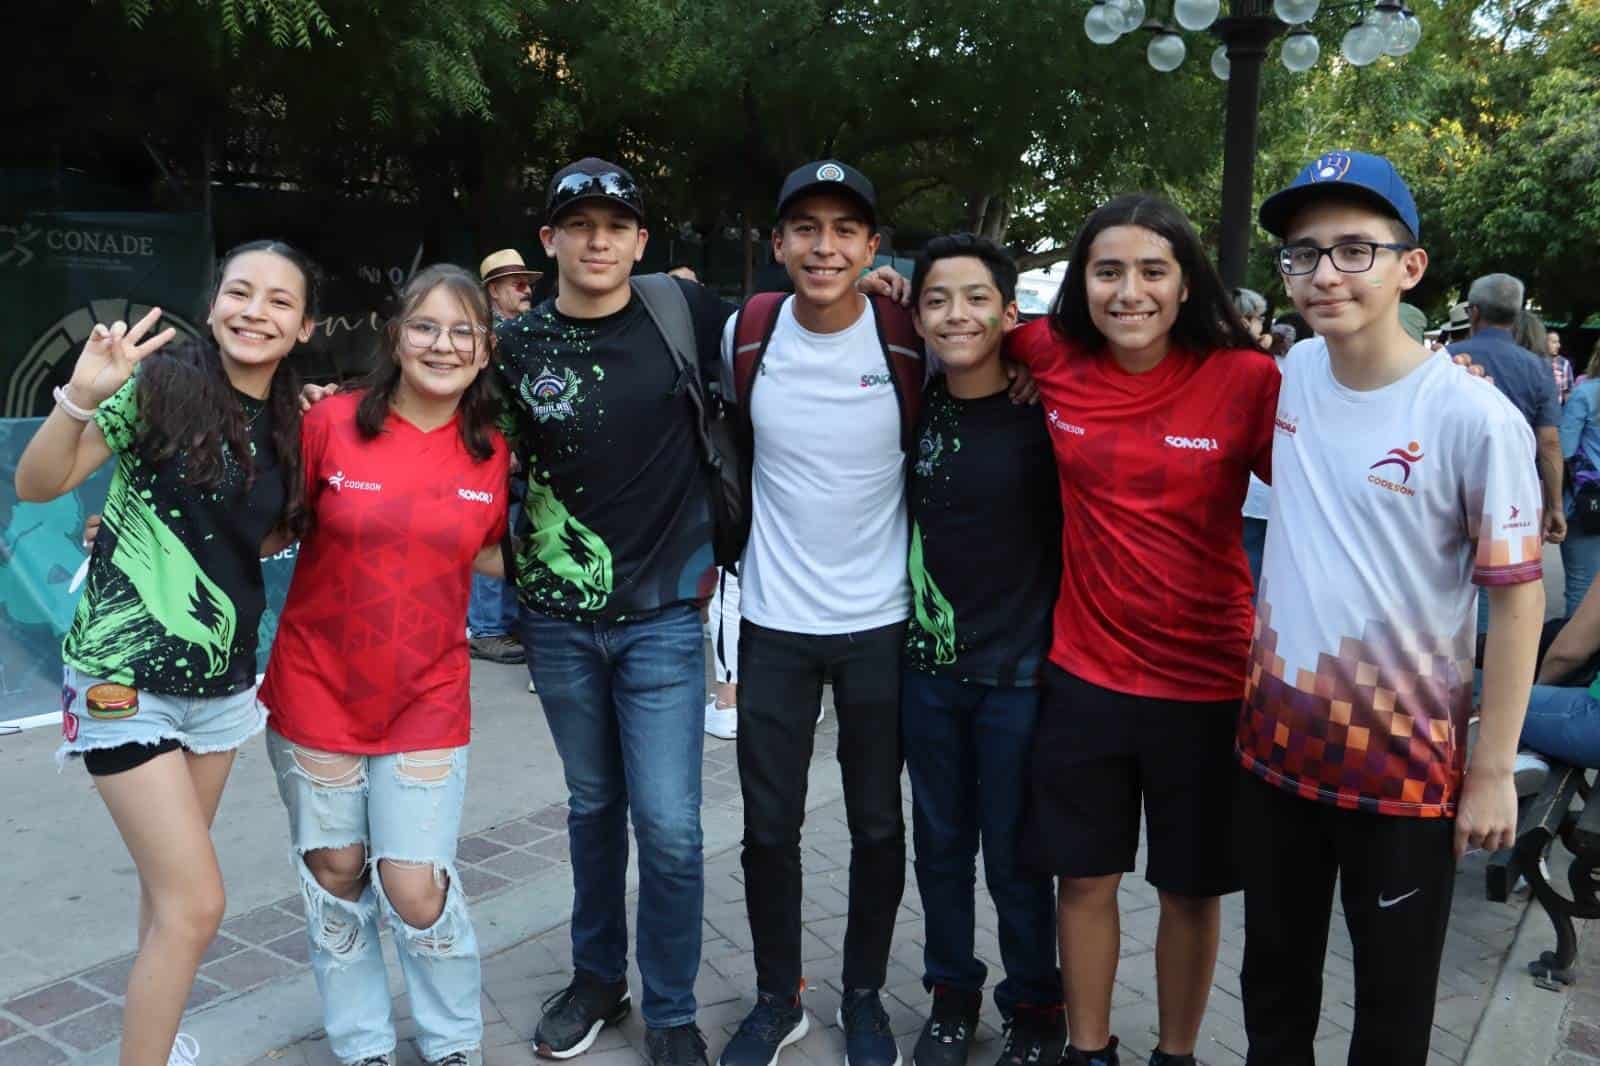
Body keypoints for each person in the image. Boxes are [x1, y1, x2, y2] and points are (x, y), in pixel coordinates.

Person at [1240, 150, 1544, 1065]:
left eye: (1354, 250)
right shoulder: (1287, 377)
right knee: (1273, 992)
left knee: (1394, 1012)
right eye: (1303, 254)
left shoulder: (1472, 417)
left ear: (1411, 267)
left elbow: (1518, 600)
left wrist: (1491, 770)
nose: (1325, 273)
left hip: (1405, 778)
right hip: (1274, 758)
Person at [15, 240, 317, 1066]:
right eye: (240, 292)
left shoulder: (299, 421)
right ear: (214, 302)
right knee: (198, 903)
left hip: (221, 687)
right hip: (122, 676)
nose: (256, 311)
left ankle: (154, 1034)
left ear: (303, 327)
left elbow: (271, 532)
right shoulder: (159, 386)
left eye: (279, 302)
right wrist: (77, 401)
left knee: (166, 894)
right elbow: (37, 484)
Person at [1007, 195, 1279, 1066]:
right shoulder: (1049, 353)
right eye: (1108, 270)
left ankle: (1176, 1054)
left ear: (1187, 280)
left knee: (1191, 890)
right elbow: (973, 324)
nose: (1129, 291)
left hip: (1208, 686)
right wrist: (892, 282)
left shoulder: (1247, 379)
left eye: (1153, 271)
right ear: (1081, 283)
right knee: (1084, 878)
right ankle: (1089, 1051)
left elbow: (1346, 452)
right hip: (1084, 677)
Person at [493, 158, 729, 1066]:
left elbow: (806, 325)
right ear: (549, 240)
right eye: (577, 224)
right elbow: (460, 440)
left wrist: (885, 292)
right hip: (556, 622)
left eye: (615, 225)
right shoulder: (517, 347)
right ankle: (599, 979)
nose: (597, 240)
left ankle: (670, 1009)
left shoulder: (688, 318)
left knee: (668, 824)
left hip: (665, 617)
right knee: (593, 808)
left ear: (640, 241)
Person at [260, 264, 509, 1066]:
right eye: (426, 326)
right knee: (336, 876)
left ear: (485, 351)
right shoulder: (327, 422)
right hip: (317, 689)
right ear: (396, 335)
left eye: (463, 331)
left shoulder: (493, 454)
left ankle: (453, 1045)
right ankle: (361, 1044)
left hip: (427, 696)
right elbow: (260, 523)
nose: (443, 344)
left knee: (415, 888)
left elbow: (511, 557)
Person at [714, 160, 932, 1066]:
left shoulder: (908, 335)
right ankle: (778, 998)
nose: (825, 246)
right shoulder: (746, 332)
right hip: (772, 622)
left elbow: (1002, 343)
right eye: (805, 227)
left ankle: (867, 995)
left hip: (882, 624)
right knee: (770, 828)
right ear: (777, 244)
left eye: (846, 230)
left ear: (874, 247)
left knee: (879, 824)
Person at [898, 234, 1065, 1066]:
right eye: (936, 299)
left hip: (1019, 680)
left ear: (1009, 311)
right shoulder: (916, 399)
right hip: (926, 675)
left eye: (974, 298)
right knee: (939, 850)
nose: (955, 314)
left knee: (1015, 859)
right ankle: (951, 996)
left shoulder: (1046, 413)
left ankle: (1036, 1008)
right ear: (918, 314)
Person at [1446, 274, 1565, 548]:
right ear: (1516, 316)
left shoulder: (1447, 358)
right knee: (1502, 575)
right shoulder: (1538, 368)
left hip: (1449, 491)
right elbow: (1548, 442)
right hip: (1513, 493)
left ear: (1473, 313)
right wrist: (1555, 506)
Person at [466, 249, 539, 666]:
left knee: (513, 537)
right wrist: (497, 446)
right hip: (493, 450)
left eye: (528, 283)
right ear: (494, 291)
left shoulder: (520, 331)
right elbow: (479, 399)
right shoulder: (483, 338)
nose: (527, 290)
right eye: (518, 283)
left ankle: (503, 623)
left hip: (517, 454)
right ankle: (487, 629)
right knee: (492, 536)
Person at [1234, 289, 1280, 588]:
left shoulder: (1262, 365)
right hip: (1252, 499)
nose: (1260, 325)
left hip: (1254, 497)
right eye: (1256, 318)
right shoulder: (1255, 366)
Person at [1561, 374, 1600, 614]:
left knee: (1582, 585)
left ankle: (1576, 651)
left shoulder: (1585, 394)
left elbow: (1564, 449)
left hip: (1588, 504)